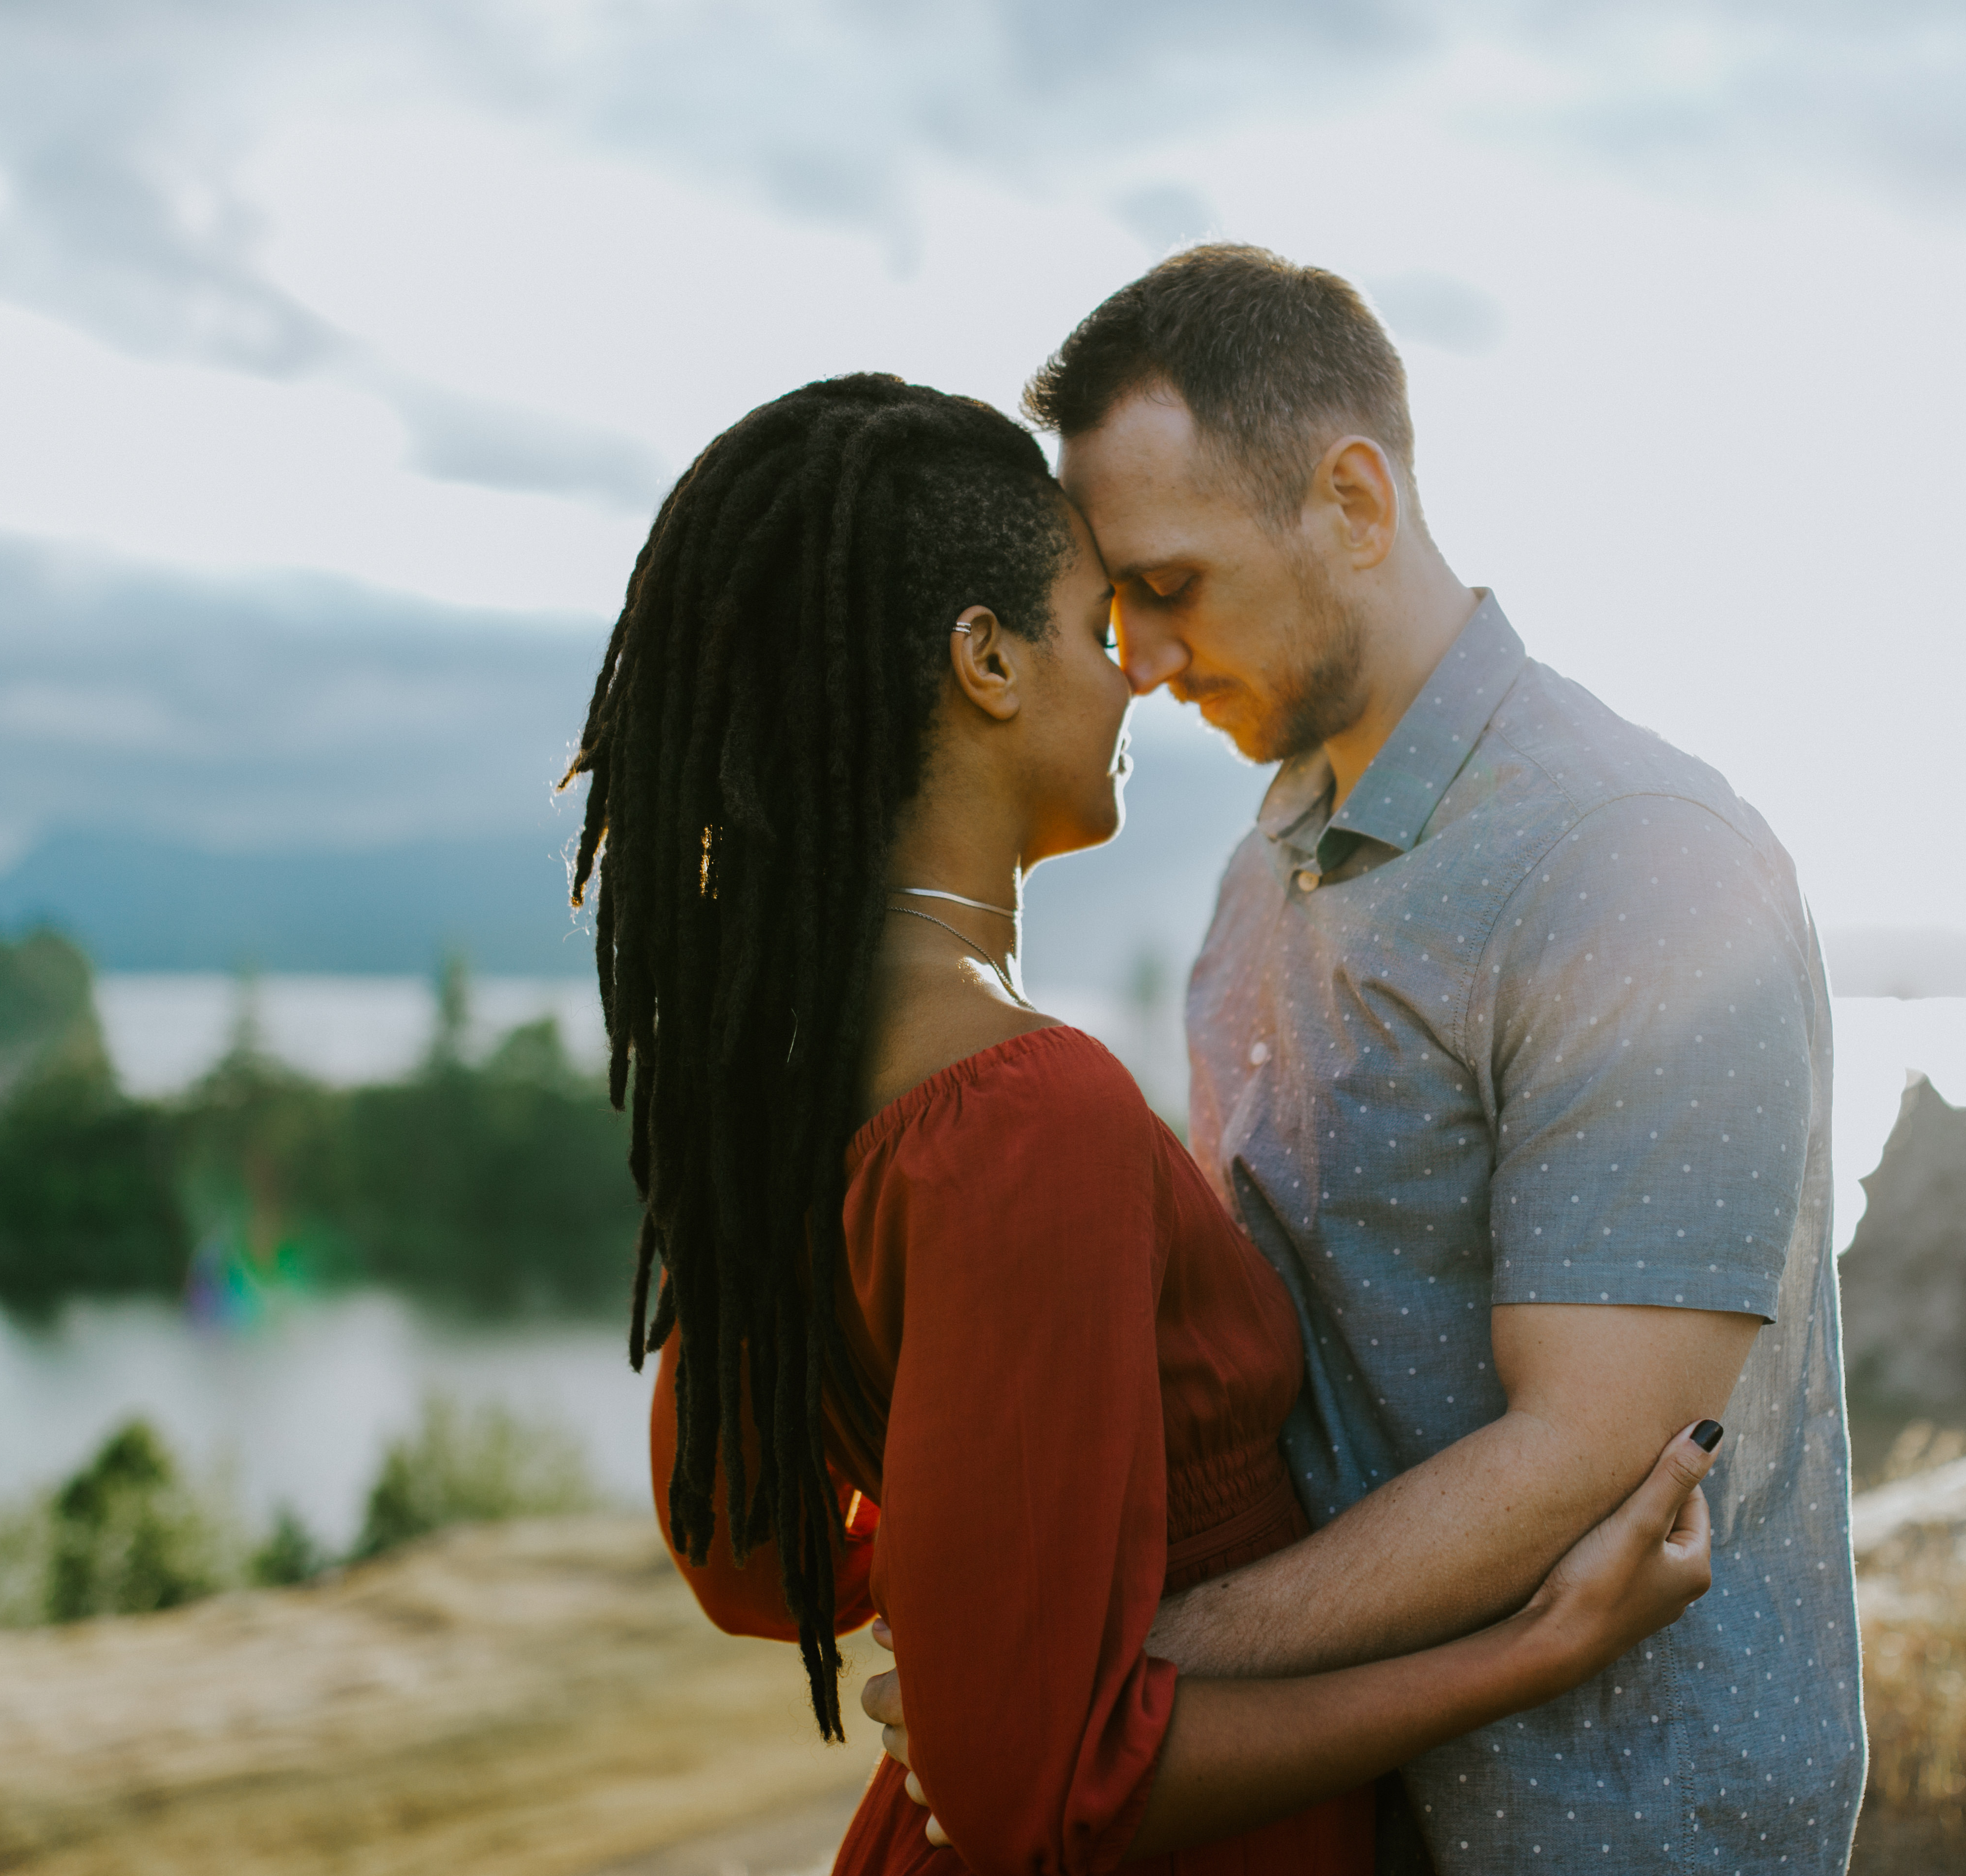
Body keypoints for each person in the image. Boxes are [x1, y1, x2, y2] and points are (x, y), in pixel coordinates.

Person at [559, 372, 1731, 1875]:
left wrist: (975, 1594)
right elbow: (1042, 1795)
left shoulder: (784, 1079)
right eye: (1096, 627)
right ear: (986, 661)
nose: (1137, 681)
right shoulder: (1021, 1115)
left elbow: (752, 1561)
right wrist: (1526, 1653)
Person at [872, 248, 1868, 1871]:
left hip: (1612, 1825)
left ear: (1352, 499)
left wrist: (1112, 1670)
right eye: (1114, 601)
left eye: (1173, 585)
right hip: (1343, 1810)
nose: (1135, 655)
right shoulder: (1262, 872)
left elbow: (1591, 1451)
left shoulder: (1631, 861)